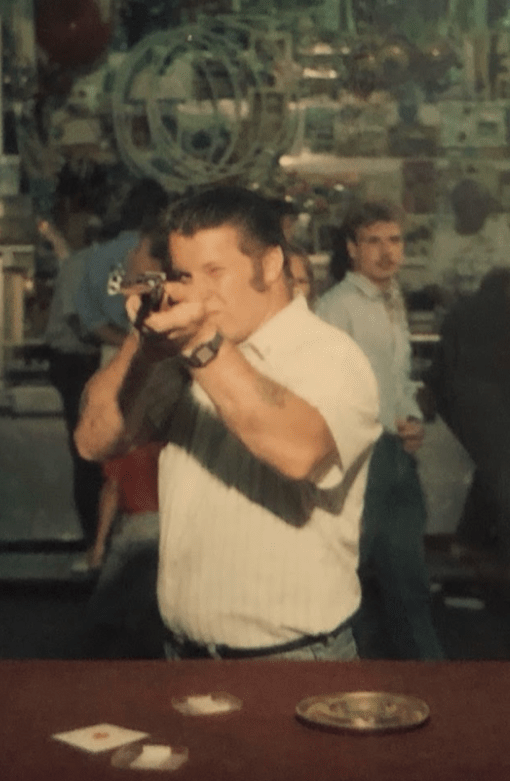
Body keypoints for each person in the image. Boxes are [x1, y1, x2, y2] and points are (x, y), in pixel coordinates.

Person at [75, 185, 380, 660]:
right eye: (185, 276)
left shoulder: (331, 355)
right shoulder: (189, 349)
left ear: (271, 264)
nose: (199, 293)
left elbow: (301, 452)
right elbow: (93, 440)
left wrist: (200, 342)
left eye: (215, 272)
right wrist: (145, 343)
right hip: (184, 656)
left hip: (291, 660)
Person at [316, 200, 443, 659]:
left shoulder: (392, 300)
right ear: (352, 249)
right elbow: (326, 387)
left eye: (394, 240)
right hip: (360, 455)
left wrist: (411, 420)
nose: (387, 252)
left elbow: (397, 376)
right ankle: (335, 675)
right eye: (373, 241)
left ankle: (431, 681)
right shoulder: (336, 307)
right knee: (348, 575)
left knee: (409, 579)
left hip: (395, 452)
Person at [71, 179, 171, 536]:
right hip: (154, 348)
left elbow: (88, 319)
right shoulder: (161, 250)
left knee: (109, 460)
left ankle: (102, 537)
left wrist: (125, 340)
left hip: (112, 355)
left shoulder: (99, 255)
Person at [429, 265, 510, 576]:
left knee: (491, 469)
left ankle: (468, 540)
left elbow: (441, 359)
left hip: (452, 397)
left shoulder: (460, 309)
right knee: (504, 475)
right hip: (490, 397)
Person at [41, 216, 104, 539]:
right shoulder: (81, 265)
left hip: (87, 359)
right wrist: (109, 340)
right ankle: (92, 535)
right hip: (75, 362)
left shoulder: (89, 264)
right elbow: (78, 321)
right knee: (87, 448)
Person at [82, 440, 166, 659]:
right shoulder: (168, 438)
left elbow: (111, 489)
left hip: (136, 526)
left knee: (104, 611)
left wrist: (99, 546)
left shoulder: (122, 441)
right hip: (168, 525)